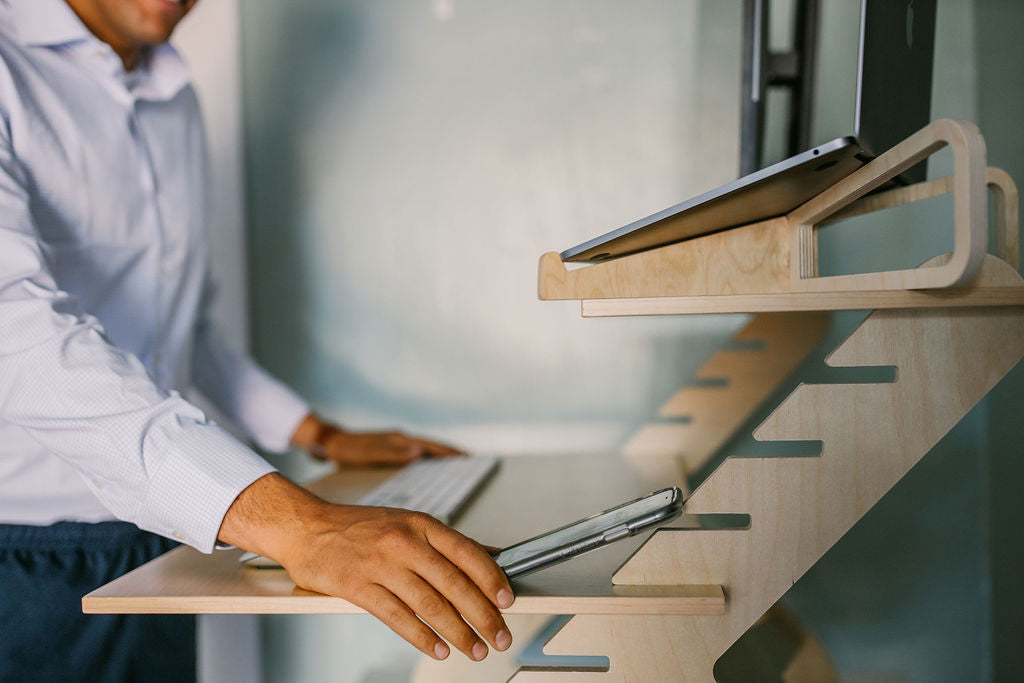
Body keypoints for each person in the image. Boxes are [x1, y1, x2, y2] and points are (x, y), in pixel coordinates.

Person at [0, 0, 514, 679]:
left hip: (159, 534)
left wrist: (318, 433)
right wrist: (298, 524)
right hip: (28, 559)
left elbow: (184, 327)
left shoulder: (171, 94)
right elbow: (17, 332)